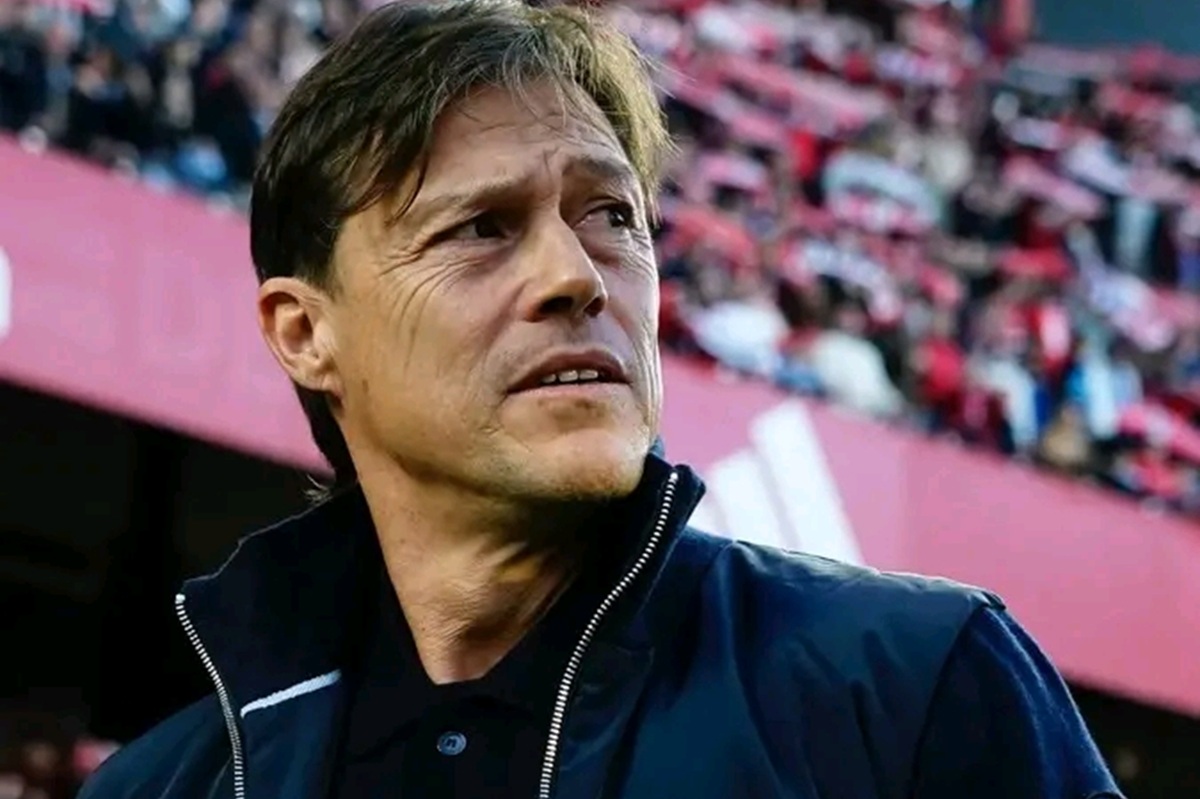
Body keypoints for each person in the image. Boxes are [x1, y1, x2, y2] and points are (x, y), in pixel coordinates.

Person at [79, 2, 1123, 798]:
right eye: (482, 227)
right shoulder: (155, 788)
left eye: (612, 216)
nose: (576, 276)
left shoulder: (915, 685)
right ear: (306, 334)